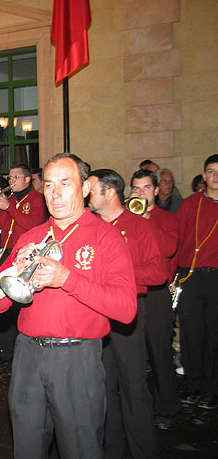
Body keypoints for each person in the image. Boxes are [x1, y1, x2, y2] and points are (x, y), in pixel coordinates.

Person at [0, 153, 137, 458]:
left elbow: (126, 309)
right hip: (28, 354)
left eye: (65, 184)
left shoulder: (106, 236)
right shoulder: (32, 236)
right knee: (27, 446)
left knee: (80, 447)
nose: (55, 193)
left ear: (86, 188)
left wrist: (67, 278)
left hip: (77, 358)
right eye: (50, 184)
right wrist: (13, 271)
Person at [88, 168, 167, 459]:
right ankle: (111, 450)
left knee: (133, 385)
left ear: (110, 192)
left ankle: (143, 450)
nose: (86, 195)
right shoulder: (89, 226)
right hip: (96, 312)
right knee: (103, 387)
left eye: (92, 190)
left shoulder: (138, 226)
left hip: (128, 314)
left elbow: (159, 272)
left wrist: (118, 274)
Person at [130, 169, 180, 430]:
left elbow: (168, 249)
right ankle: (138, 408)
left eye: (147, 188)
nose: (141, 193)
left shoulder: (167, 219)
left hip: (157, 292)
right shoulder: (127, 219)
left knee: (160, 351)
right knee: (133, 356)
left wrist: (147, 218)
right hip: (132, 290)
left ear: (156, 191)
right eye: (136, 189)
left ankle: (167, 407)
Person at [0, 162, 47, 367]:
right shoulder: (8, 199)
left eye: (15, 177)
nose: (11, 181)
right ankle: (6, 352)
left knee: (24, 304)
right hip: (6, 254)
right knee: (4, 304)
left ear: (27, 179)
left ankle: (27, 349)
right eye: (9, 177)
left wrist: (10, 208)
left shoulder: (37, 199)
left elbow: (34, 226)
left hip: (27, 257)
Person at [175, 154, 218, 410]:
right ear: (204, 176)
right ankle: (194, 385)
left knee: (215, 336)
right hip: (191, 275)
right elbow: (179, 240)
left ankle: (213, 389)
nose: (216, 176)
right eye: (211, 171)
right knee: (191, 334)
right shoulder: (191, 204)